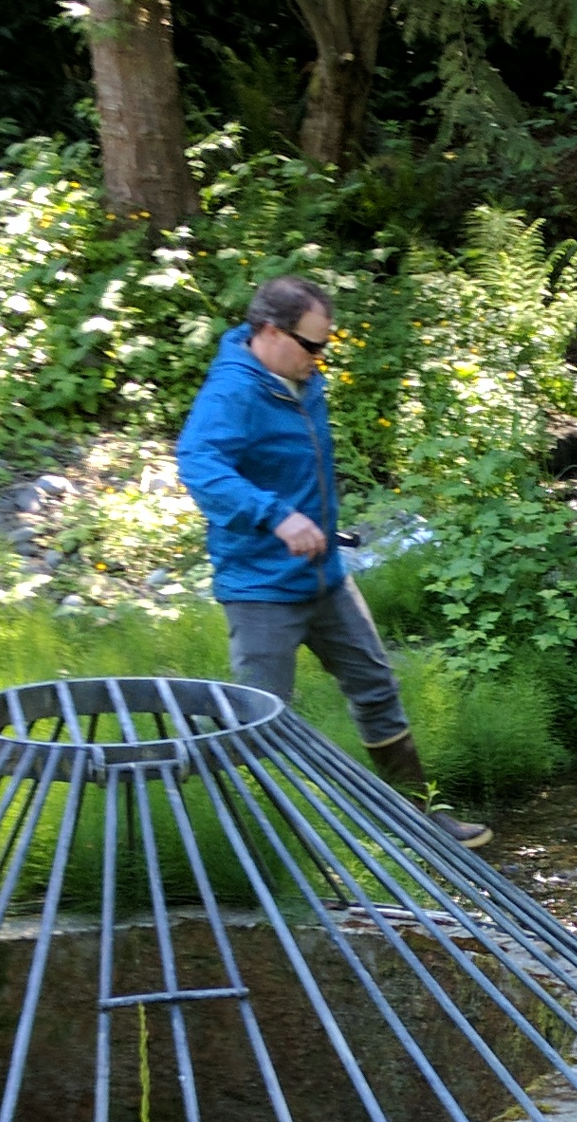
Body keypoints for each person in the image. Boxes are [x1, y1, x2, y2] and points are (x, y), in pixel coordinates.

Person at [174, 273, 489, 845]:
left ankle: (421, 820)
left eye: (328, 344)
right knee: (257, 715)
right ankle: (199, 813)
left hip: (325, 577)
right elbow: (200, 465)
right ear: (270, 332)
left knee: (375, 686)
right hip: (261, 583)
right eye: (313, 345)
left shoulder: (299, 376)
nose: (322, 358)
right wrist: (276, 515)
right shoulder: (232, 394)